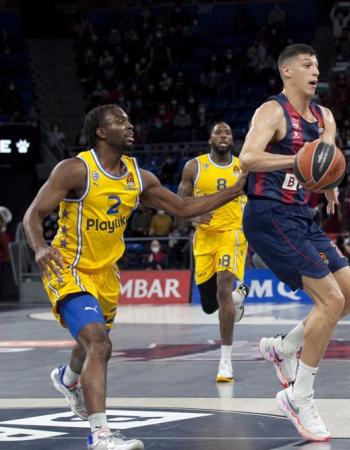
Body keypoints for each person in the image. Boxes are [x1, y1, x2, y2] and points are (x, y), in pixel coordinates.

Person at [22, 104, 246, 450]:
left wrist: (236, 190)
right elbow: (33, 215)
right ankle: (100, 436)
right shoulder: (75, 170)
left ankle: (67, 380)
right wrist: (38, 247)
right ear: (100, 132)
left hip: (107, 274)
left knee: (89, 346)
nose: (130, 125)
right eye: (119, 121)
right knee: (100, 343)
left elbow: (183, 208)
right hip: (68, 267)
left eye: (128, 119)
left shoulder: (138, 176)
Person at [239, 44, 350, 442]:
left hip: (300, 215)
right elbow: (247, 159)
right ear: (287, 72)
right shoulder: (271, 111)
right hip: (268, 213)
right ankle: (299, 397)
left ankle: (284, 346)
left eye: (317, 65)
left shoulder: (324, 116)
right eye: (307, 65)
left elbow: (325, 158)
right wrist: (296, 161)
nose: (315, 71)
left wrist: (327, 184)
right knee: (330, 301)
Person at [177, 121, 249, 383]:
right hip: (204, 239)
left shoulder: (243, 167)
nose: (223, 135)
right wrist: (195, 219)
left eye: (228, 132)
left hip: (232, 233)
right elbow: (179, 205)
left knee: (222, 288)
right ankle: (237, 300)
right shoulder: (194, 167)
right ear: (210, 138)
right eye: (219, 131)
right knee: (210, 305)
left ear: (233, 139)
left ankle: (226, 361)